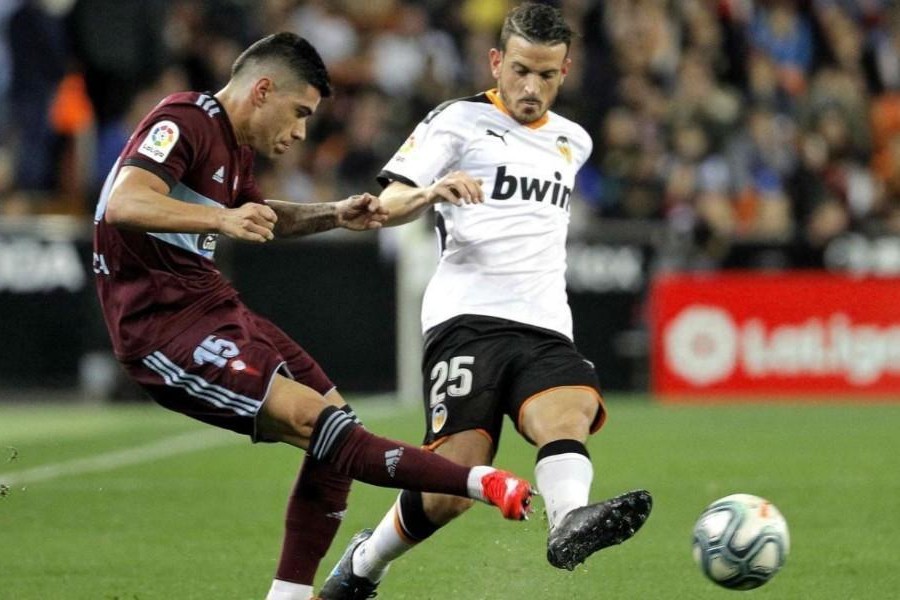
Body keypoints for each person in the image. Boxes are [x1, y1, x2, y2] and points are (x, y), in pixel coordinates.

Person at [91, 32, 534, 600]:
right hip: (162, 329)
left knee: (333, 437)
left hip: (213, 307)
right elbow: (123, 202)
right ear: (263, 89)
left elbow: (263, 214)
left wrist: (334, 214)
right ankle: (483, 482)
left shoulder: (232, 145)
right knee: (330, 432)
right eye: (298, 113)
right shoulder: (184, 119)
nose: (300, 131)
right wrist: (221, 223)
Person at [320, 5, 652, 598]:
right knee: (450, 485)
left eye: (547, 76)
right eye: (521, 70)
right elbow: (385, 206)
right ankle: (366, 562)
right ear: (496, 61)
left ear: (565, 72)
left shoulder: (574, 141)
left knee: (570, 406)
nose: (531, 87)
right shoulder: (457, 122)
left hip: (546, 320)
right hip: (467, 319)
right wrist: (430, 191)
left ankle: (568, 520)